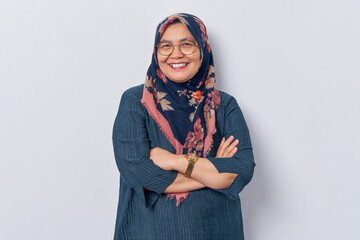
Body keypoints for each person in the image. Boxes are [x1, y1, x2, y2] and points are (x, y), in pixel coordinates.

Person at [112, 13, 255, 240]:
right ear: (156, 52)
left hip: (216, 231)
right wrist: (213, 173)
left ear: (203, 50)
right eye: (166, 46)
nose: (176, 54)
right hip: (149, 232)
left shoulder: (225, 106)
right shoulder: (135, 102)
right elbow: (140, 175)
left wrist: (174, 161)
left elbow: (241, 171)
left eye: (187, 44)